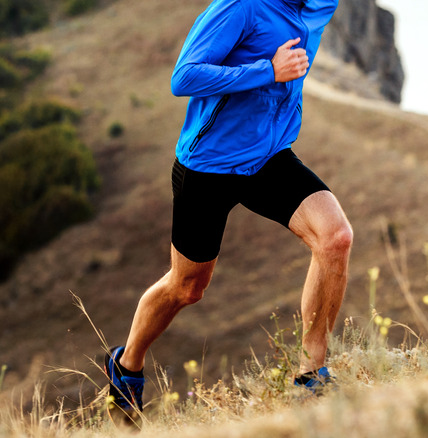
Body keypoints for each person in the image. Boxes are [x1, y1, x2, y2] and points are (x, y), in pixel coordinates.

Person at [104, 0, 351, 412]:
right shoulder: (241, 7)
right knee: (187, 288)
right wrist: (267, 72)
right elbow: (183, 77)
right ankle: (126, 365)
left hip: (269, 158)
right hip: (209, 166)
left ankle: (312, 376)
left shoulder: (320, 5)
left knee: (335, 238)